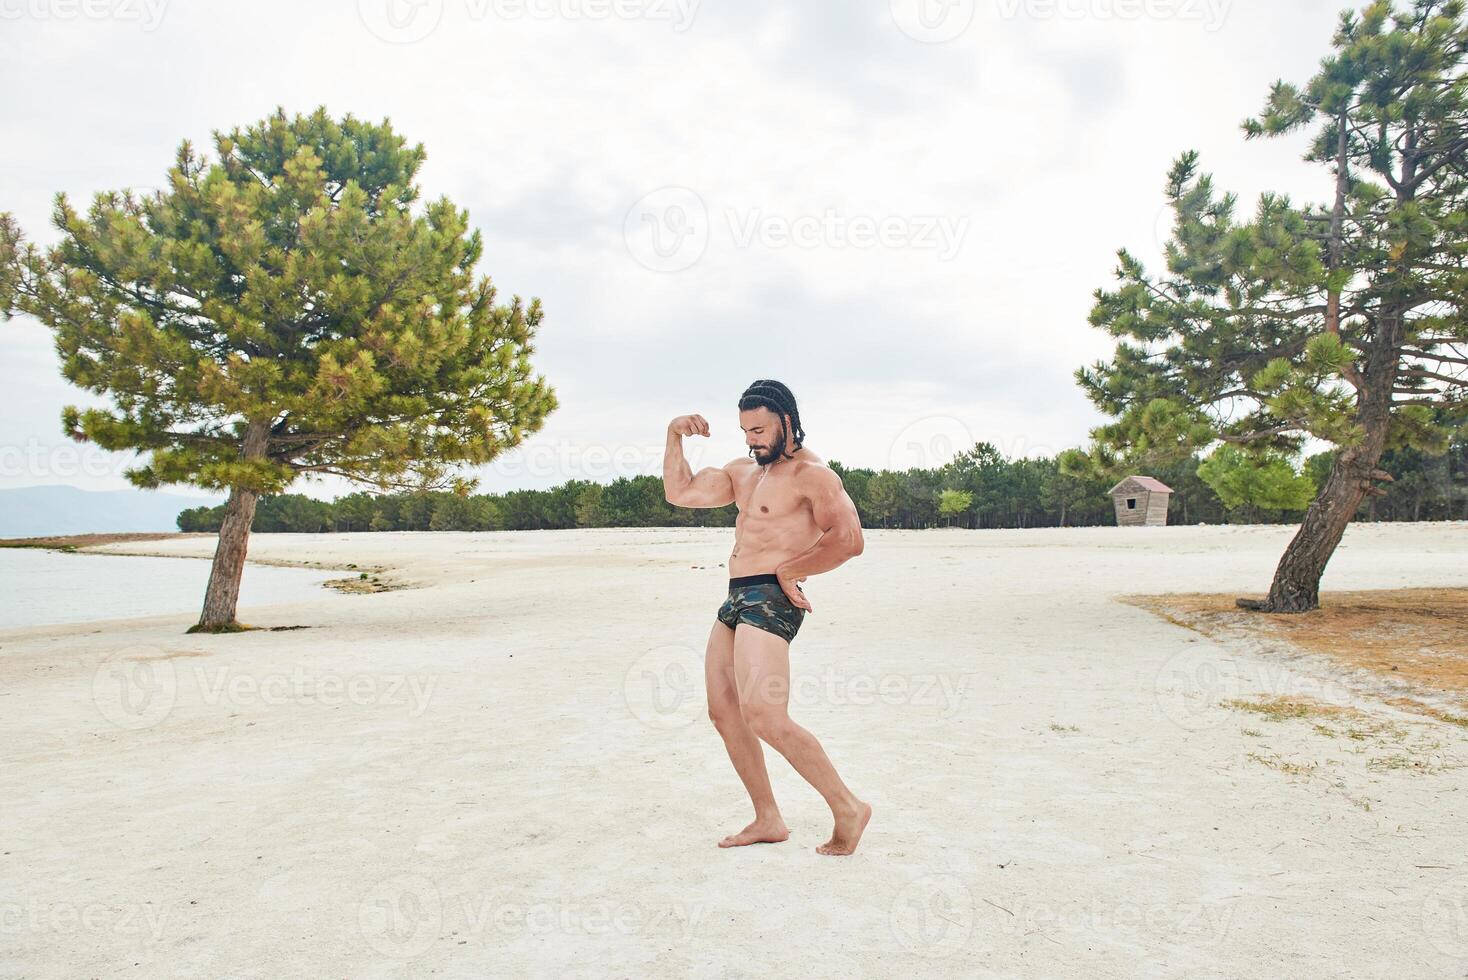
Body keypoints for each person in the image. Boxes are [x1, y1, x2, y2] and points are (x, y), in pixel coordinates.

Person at [662, 379, 872, 856]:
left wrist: (791, 569)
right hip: (735, 596)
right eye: (745, 431)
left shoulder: (813, 475)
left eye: (758, 429)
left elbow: (850, 539)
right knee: (724, 710)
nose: (751, 439)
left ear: (786, 421)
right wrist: (673, 436)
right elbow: (681, 491)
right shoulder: (743, 473)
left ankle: (847, 807)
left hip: (772, 598)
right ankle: (768, 817)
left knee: (765, 714)